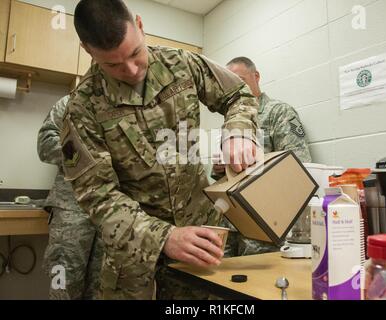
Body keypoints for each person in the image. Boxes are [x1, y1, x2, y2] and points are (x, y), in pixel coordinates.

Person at [61, 0, 260, 300]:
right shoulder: (82, 108)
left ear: (140, 25)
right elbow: (98, 197)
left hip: (203, 248)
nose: (130, 69)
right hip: (135, 266)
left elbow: (238, 94)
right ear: (87, 50)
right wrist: (163, 237)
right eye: (113, 64)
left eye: (135, 53)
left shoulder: (181, 64)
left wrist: (239, 133)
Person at [213, 57, 312, 257]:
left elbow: (298, 166)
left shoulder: (279, 112)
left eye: (240, 80)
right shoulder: (231, 123)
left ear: (256, 77)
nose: (235, 87)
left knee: (257, 282)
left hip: (263, 220)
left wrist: (252, 163)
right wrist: (219, 168)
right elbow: (222, 178)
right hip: (231, 219)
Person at [37, 95, 103, 299]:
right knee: (63, 285)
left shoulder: (128, 110)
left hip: (112, 212)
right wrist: (85, 157)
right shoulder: (71, 102)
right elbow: (46, 144)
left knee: (102, 288)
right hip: (71, 208)